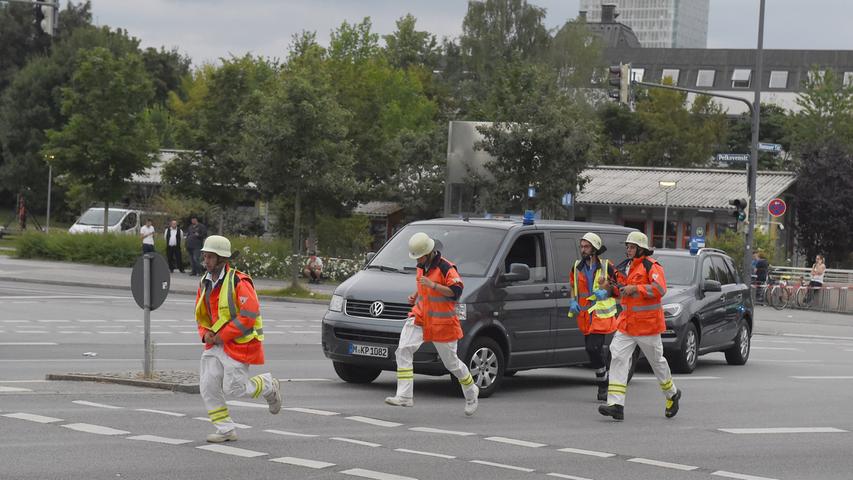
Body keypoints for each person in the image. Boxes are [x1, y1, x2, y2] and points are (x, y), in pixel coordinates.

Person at [195, 235, 281, 443]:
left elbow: (249, 315)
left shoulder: (239, 282)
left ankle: (269, 384)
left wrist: (221, 336)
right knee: (207, 385)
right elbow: (201, 315)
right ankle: (225, 430)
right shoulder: (204, 282)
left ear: (222, 259)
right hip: (215, 344)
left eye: (209, 257)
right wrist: (205, 334)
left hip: (239, 344)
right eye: (204, 257)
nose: (205, 261)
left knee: (235, 389)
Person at [385, 232, 480, 416]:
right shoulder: (421, 266)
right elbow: (423, 286)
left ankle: (471, 391)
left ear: (428, 252)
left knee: (451, 364)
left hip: (443, 323)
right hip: (421, 316)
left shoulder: (446, 268)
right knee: (404, 349)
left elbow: (456, 291)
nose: (417, 260)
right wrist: (416, 295)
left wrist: (433, 286)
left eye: (418, 256)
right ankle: (404, 396)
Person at [599, 231, 680, 421]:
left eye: (632, 247)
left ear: (641, 249)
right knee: (617, 356)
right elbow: (621, 293)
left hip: (647, 326)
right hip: (627, 324)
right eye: (627, 246)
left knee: (657, 363)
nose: (628, 250)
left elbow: (660, 289)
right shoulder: (626, 268)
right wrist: (608, 288)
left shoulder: (651, 266)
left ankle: (672, 395)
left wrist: (637, 288)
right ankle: (616, 405)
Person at [569, 232, 620, 402]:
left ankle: (603, 384)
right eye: (581, 246)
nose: (583, 250)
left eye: (586, 246)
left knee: (593, 348)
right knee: (591, 351)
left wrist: (606, 291)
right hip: (585, 316)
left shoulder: (607, 266)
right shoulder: (577, 267)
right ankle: (604, 380)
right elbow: (572, 286)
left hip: (601, 315)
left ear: (595, 248)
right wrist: (572, 301)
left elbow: (619, 287)